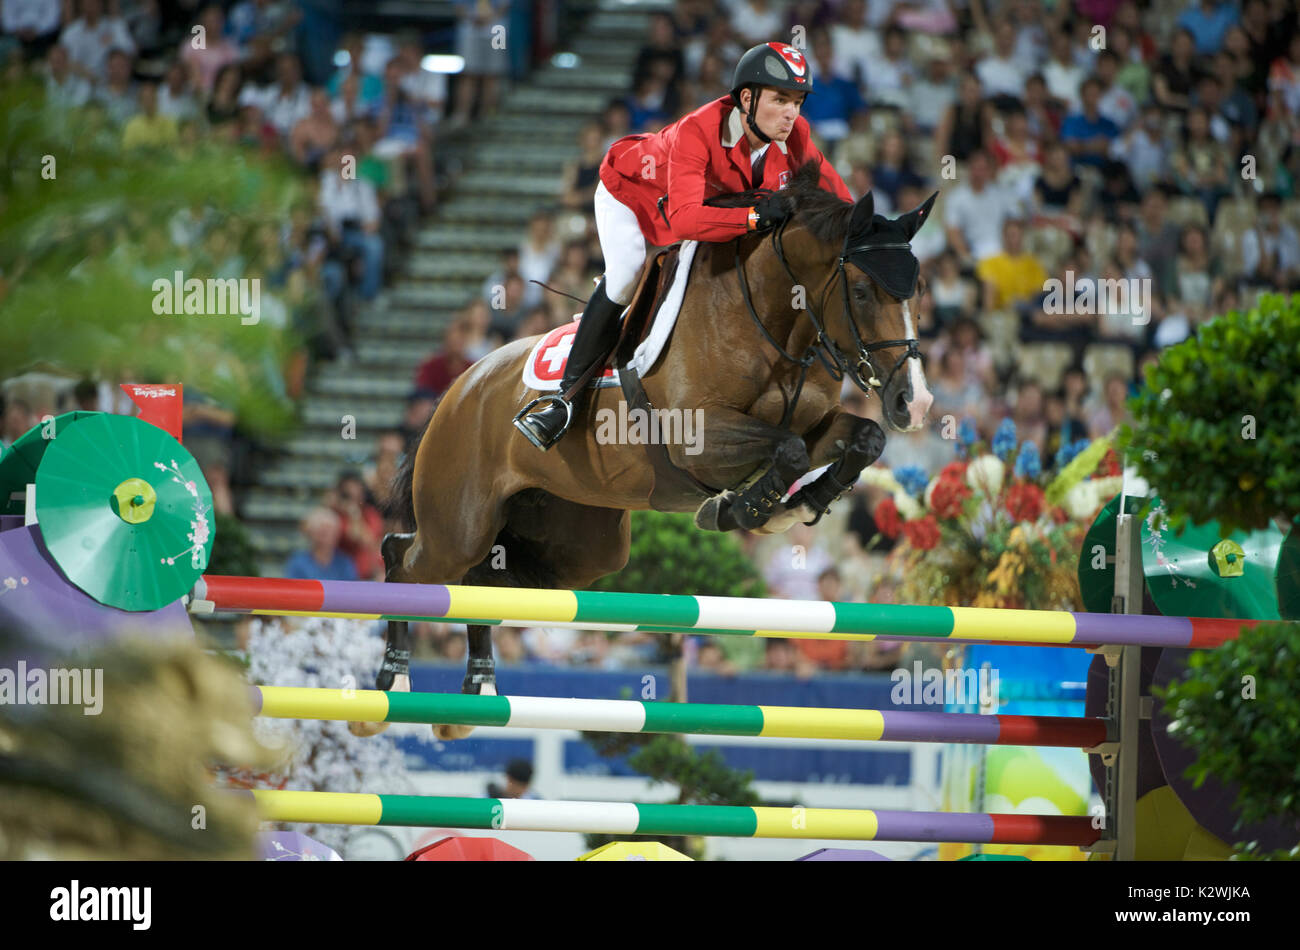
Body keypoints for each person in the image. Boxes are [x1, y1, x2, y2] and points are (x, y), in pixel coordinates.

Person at [513, 42, 851, 450]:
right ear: (747, 98)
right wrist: (754, 218)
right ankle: (564, 400)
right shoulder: (698, 130)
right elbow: (686, 219)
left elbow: (838, 197)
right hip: (632, 197)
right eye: (780, 99)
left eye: (797, 101)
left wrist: (872, 233)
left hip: (697, 212)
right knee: (625, 275)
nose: (791, 112)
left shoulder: (795, 134)